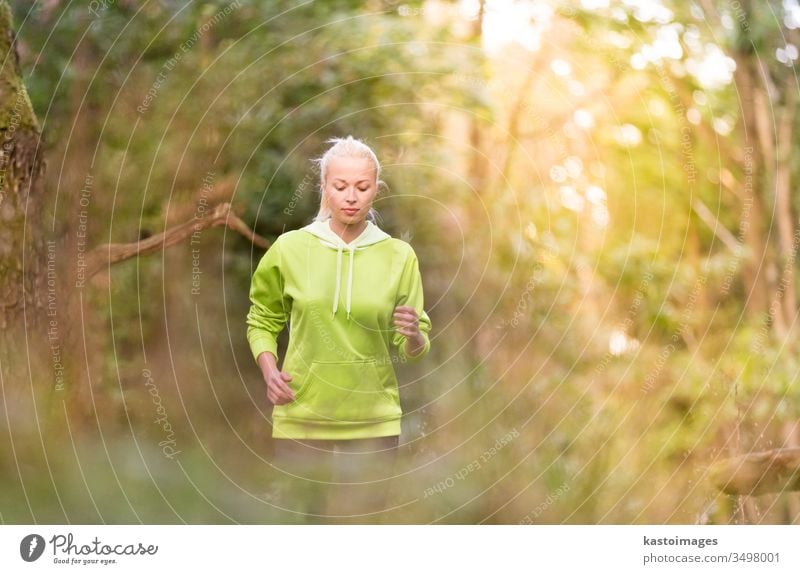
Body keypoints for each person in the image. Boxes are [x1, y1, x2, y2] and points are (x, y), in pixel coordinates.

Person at [246, 135, 432, 523]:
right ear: (324, 188)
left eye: (362, 187)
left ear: (375, 191)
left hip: (373, 421)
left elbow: (413, 345)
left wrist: (413, 333)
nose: (351, 196)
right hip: (301, 416)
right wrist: (269, 370)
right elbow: (262, 318)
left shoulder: (399, 256)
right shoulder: (290, 248)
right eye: (341, 186)